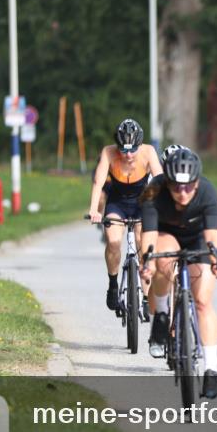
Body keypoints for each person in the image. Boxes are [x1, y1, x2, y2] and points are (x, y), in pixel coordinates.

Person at [140, 148, 217, 398]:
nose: (183, 192)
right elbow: (149, 237)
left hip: (198, 237)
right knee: (163, 259)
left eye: (189, 186)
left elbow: (212, 235)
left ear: (197, 181)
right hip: (166, 235)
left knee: (202, 301)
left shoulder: (208, 192)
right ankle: (162, 313)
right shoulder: (153, 192)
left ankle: (211, 369)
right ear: (166, 182)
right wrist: (147, 263)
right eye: (176, 187)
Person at [88, 119, 163, 311]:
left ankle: (146, 298)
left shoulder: (148, 152)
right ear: (117, 146)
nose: (128, 155)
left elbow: (160, 180)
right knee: (113, 242)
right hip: (118, 202)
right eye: (124, 150)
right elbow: (98, 182)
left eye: (133, 150)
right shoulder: (108, 152)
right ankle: (113, 284)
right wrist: (94, 209)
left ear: (140, 144)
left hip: (142, 202)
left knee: (143, 244)